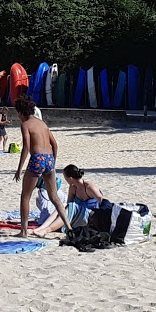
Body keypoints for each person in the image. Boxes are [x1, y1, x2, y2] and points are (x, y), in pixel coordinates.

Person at [14, 95, 71, 240]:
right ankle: (69, 227)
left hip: (37, 158)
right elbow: (55, 144)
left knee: (25, 196)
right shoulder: (43, 124)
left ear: (22, 113)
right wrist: (53, 162)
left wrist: (19, 168)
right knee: (54, 196)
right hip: (49, 159)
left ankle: (24, 231)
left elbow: (26, 147)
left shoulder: (25, 125)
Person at [39, 164, 105, 233]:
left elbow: (102, 200)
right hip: (78, 215)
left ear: (70, 179)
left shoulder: (88, 187)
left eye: (66, 179)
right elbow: (68, 204)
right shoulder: (73, 188)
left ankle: (47, 230)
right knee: (63, 205)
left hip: (90, 215)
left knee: (71, 206)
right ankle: (41, 228)